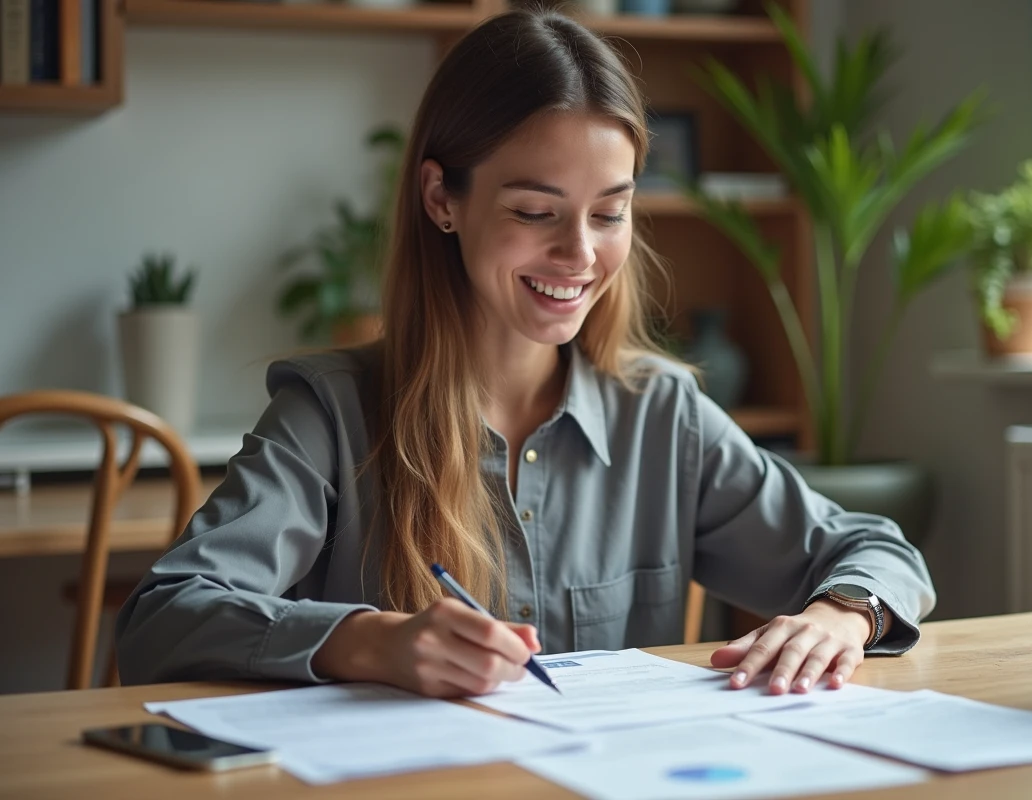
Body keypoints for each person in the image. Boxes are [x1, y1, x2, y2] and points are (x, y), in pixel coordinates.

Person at [116, 8, 935, 700]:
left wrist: (841, 615)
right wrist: (371, 642)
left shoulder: (662, 414)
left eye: (609, 213)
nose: (579, 254)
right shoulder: (330, 414)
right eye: (536, 212)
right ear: (441, 199)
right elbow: (164, 616)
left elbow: (878, 551)